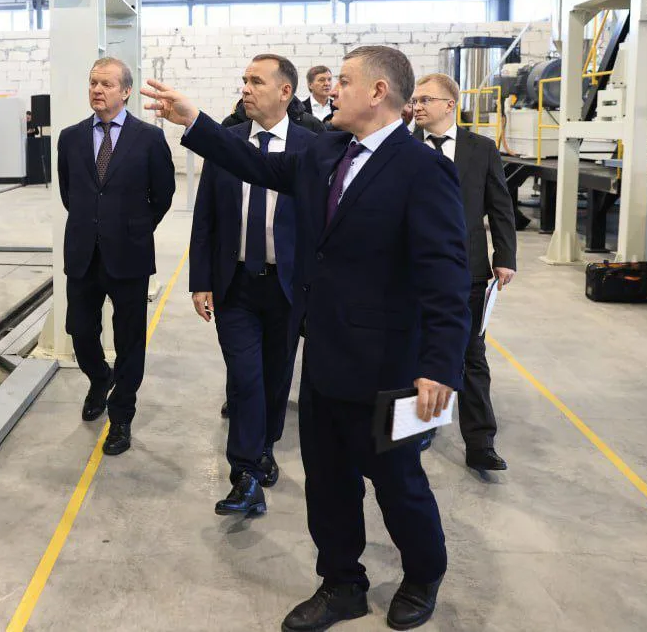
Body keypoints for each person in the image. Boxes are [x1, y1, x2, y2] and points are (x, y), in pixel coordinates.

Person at [143, 46, 470, 631]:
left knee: (398, 483)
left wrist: (439, 366)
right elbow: (257, 167)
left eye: (343, 80)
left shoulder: (422, 170)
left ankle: (424, 574)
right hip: (324, 357)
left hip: (390, 368)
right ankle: (342, 582)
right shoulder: (326, 151)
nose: (331, 89)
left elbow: (445, 278)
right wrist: (194, 121)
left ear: (378, 92)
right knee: (328, 482)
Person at [190, 54, 317, 517]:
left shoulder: (311, 147)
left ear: (285, 92)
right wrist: (200, 280)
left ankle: (265, 446)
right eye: (244, 80)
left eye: (256, 82)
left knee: (276, 375)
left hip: (287, 286)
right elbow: (205, 216)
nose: (245, 88)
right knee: (244, 378)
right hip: (236, 283)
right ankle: (244, 473)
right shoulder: (226, 143)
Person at [57, 58, 175, 456]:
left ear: (125, 91)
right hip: (83, 254)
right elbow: (69, 194)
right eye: (93, 82)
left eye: (106, 84)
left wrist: (135, 227)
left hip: (129, 255)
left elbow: (163, 194)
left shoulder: (149, 139)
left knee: (129, 340)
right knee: (80, 331)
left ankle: (121, 416)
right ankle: (98, 377)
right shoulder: (70, 138)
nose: (97, 90)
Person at [410, 74, 517, 472]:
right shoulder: (403, 146)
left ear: (450, 104)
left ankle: (481, 443)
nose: (417, 106)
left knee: (471, 356)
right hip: (414, 269)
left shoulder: (481, 149)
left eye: (426, 99)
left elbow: (500, 205)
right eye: (415, 100)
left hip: (467, 270)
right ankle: (422, 426)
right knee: (418, 352)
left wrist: (505, 256)